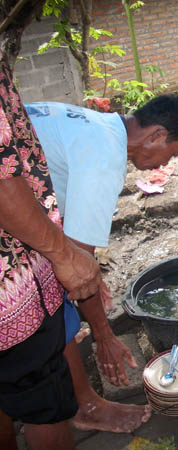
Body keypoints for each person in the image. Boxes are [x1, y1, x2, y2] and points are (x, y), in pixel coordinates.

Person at [24, 94, 178, 433]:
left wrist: (83, 265)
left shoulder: (97, 126)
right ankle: (84, 405)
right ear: (157, 136)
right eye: (173, 154)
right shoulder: (105, 157)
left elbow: (75, 247)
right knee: (48, 303)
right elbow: (77, 268)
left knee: (57, 291)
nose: (165, 164)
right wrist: (103, 335)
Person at [0, 58, 103, 450]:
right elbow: (2, 178)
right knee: (42, 399)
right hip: (10, 288)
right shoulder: (102, 155)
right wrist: (65, 255)